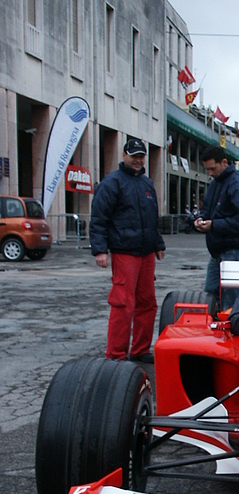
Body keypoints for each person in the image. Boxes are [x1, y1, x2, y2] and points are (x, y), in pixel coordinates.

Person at [89, 138, 165, 363]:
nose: (138, 160)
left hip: (146, 253)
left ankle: (140, 349)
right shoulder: (111, 183)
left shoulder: (147, 184)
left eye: (141, 156)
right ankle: (116, 354)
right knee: (123, 303)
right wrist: (99, 250)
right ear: (124, 156)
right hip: (124, 252)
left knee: (147, 302)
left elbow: (152, 219)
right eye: (134, 156)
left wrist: (158, 244)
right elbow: (99, 218)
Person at [194, 145, 239, 309]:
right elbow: (207, 207)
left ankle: (233, 329)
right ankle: (216, 329)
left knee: (231, 300)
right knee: (211, 293)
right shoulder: (217, 182)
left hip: (235, 249)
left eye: (212, 168)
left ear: (224, 162)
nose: (210, 173)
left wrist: (213, 225)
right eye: (207, 169)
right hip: (219, 250)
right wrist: (201, 218)